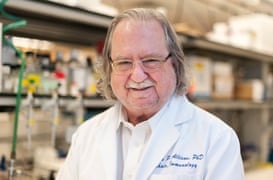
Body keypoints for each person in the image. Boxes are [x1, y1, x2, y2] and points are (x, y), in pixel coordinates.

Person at [56, 8, 245, 180]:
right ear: (109, 70)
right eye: (124, 63)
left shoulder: (217, 140)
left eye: (151, 60)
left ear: (175, 65)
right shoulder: (86, 135)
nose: (137, 76)